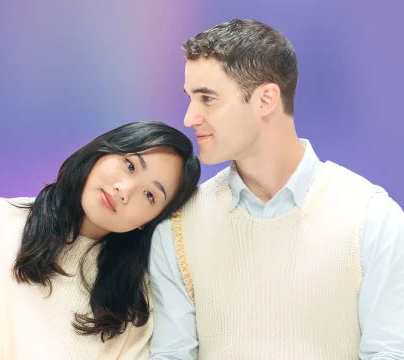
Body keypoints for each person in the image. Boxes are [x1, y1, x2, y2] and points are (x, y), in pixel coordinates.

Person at [149, 19, 404, 359]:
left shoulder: (372, 218)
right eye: (190, 98)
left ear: (266, 99)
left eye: (207, 98)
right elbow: (172, 354)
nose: (189, 118)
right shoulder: (177, 227)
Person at [0, 121, 201, 359]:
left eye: (150, 195)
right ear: (102, 151)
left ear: (150, 221)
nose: (125, 190)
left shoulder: (136, 299)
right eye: (130, 165)